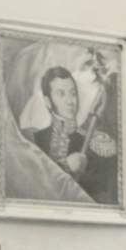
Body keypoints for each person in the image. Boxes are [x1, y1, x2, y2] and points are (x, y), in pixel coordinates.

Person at [33, 66, 117, 203]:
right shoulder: (36, 140)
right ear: (48, 102)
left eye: (73, 93)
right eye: (61, 94)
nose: (70, 101)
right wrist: (66, 166)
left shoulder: (92, 143)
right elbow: (35, 186)